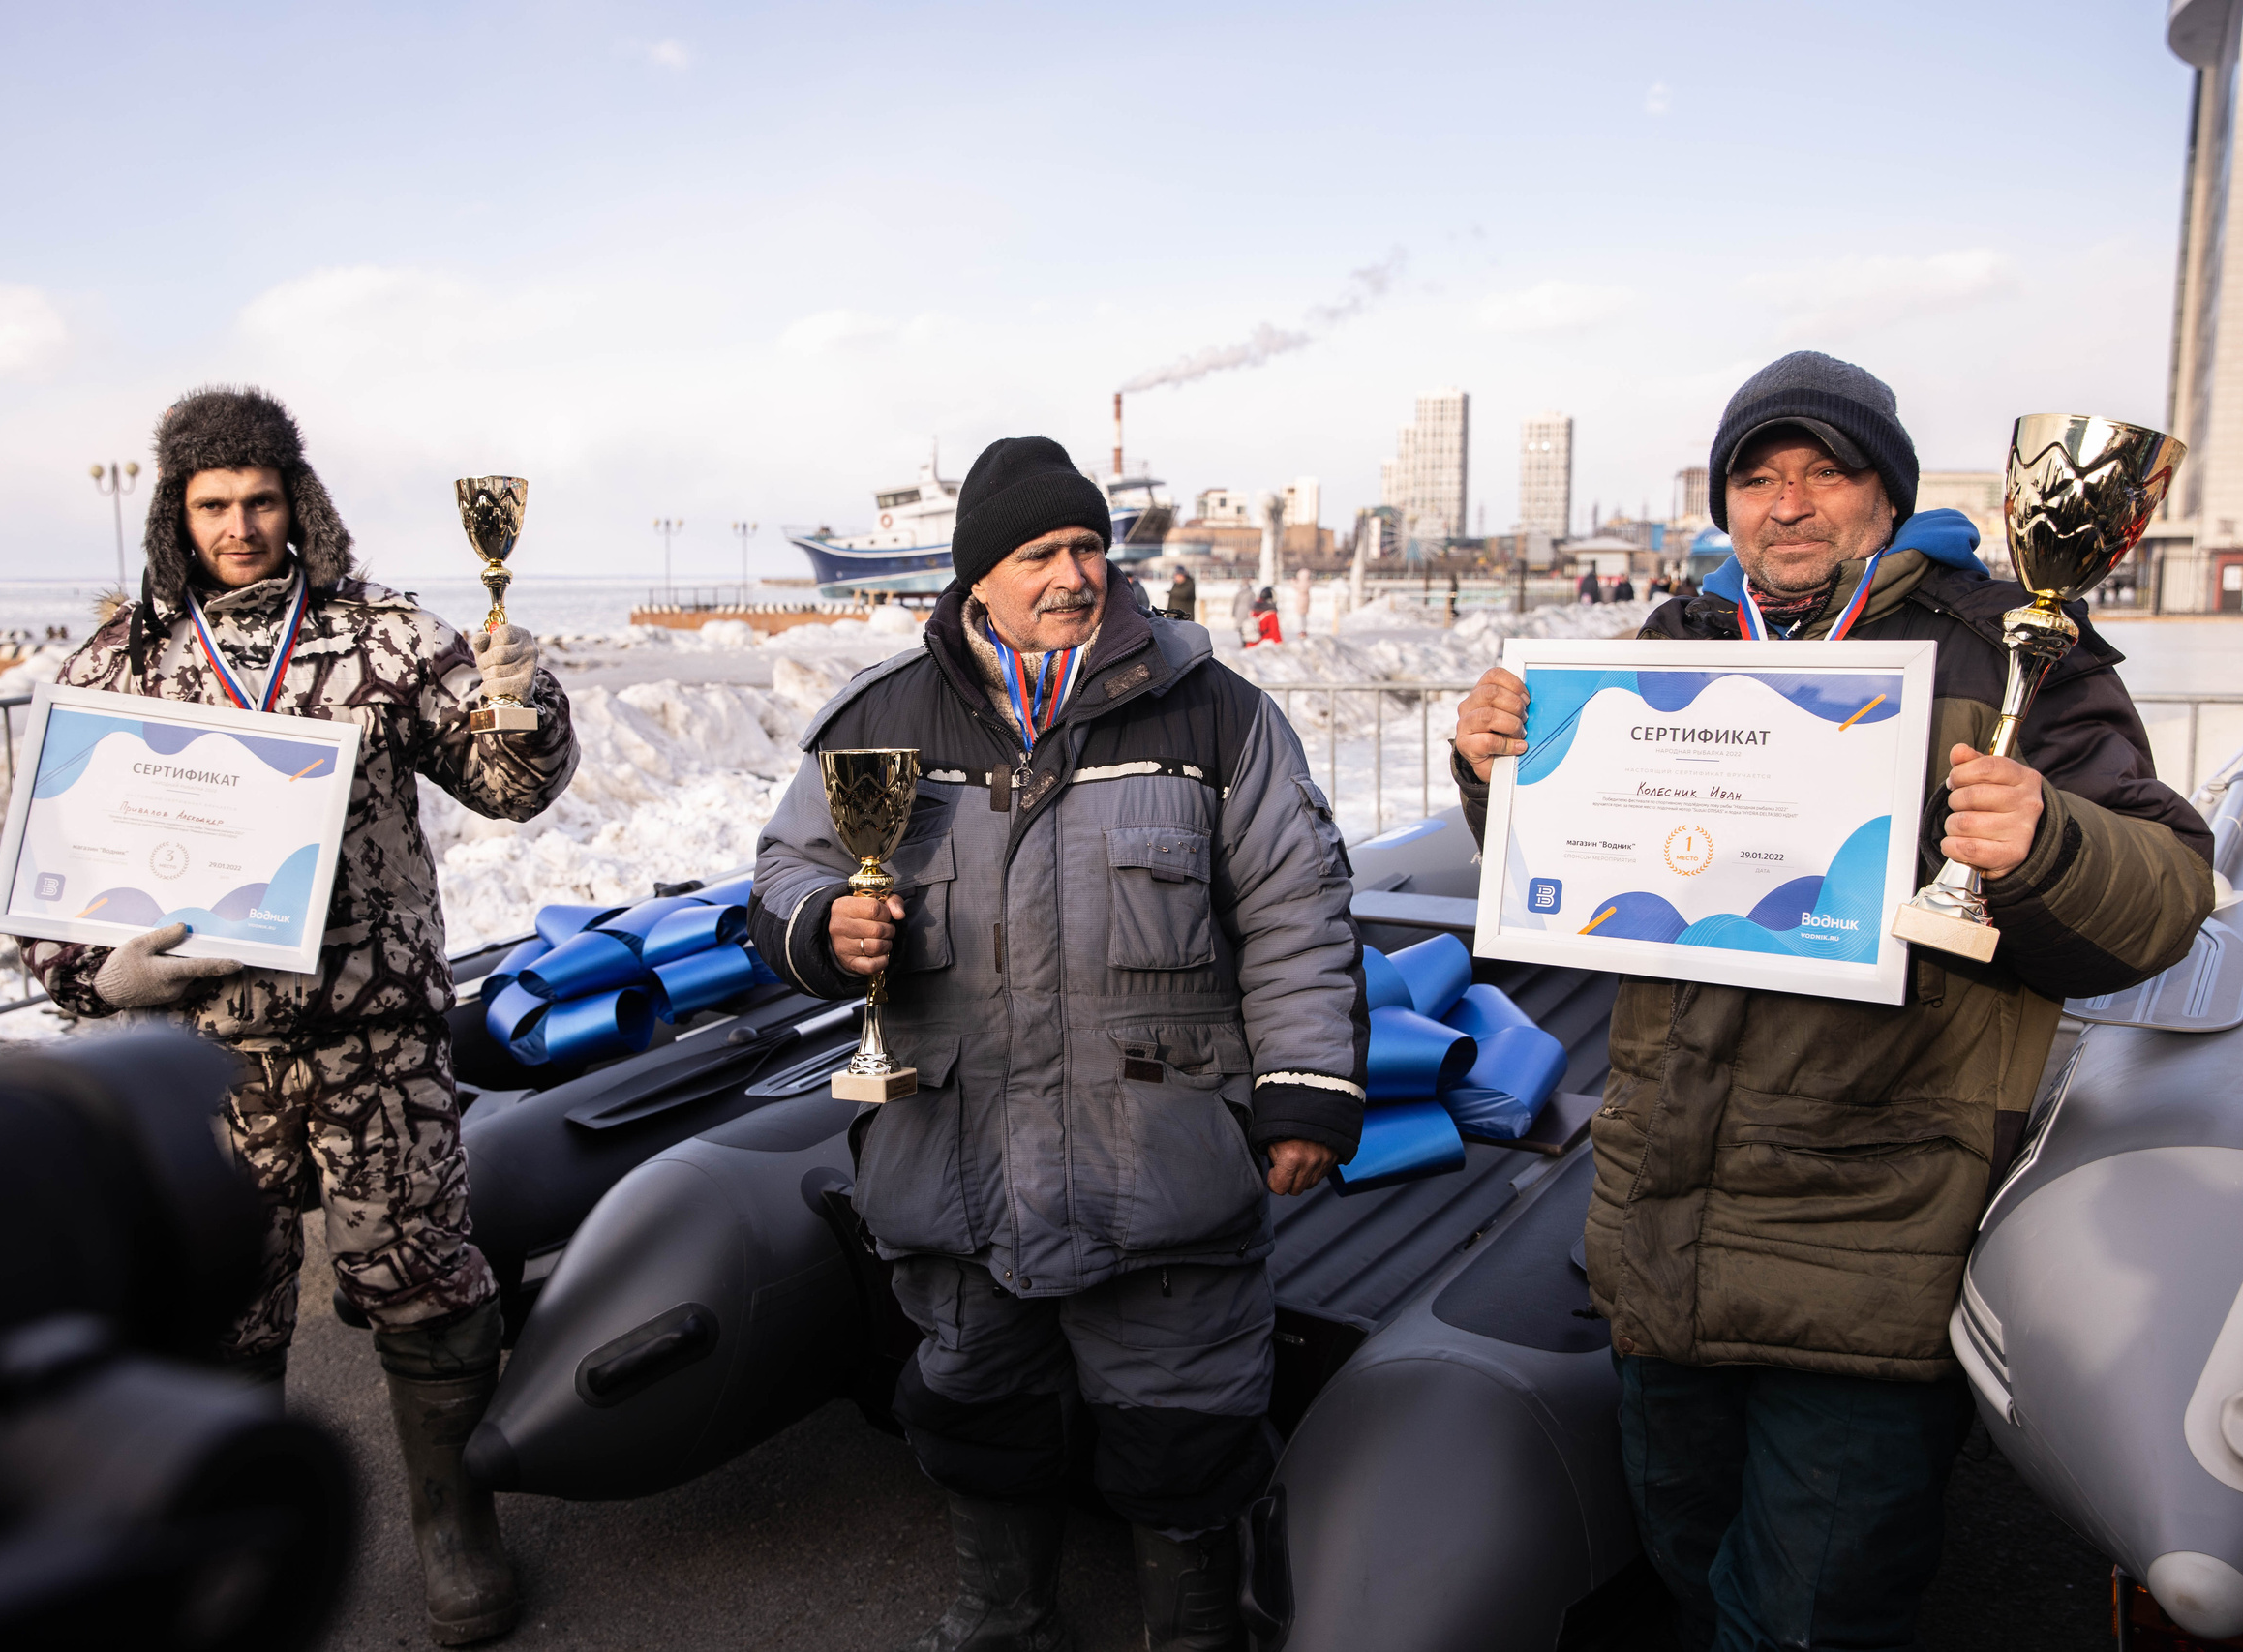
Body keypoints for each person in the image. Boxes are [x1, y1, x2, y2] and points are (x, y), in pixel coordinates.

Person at [1450, 350, 2214, 1651]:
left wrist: (2045, 841)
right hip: (1662, 1223)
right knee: (1691, 1565)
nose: (1788, 503)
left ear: (1885, 493)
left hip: (1866, 1241)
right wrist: (1499, 775)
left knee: (1809, 1617)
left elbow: (2163, 892)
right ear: (1725, 500)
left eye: (1826, 471)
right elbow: (1589, 863)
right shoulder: (1671, 641)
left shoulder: (2003, 650)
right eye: (1759, 474)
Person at [751, 436, 1364, 1652]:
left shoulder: (1216, 712)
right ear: (977, 576)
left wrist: (1302, 1091)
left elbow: (1299, 908)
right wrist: (827, 926)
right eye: (1039, 552)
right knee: (977, 1406)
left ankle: (1192, 1635)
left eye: (1087, 545)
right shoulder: (881, 719)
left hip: (1165, 1162)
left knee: (1186, 1425)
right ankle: (999, 1617)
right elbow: (784, 875)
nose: (1072, 573)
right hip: (956, 1156)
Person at [16, 386, 580, 1647]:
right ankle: (239, 1523)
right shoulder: (123, 665)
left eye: (261, 497)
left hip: (375, 1041)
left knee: (429, 1288)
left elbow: (507, 787)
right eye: (213, 502)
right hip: (199, 1060)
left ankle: (453, 1520)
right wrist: (96, 978)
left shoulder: (385, 639)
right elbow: (51, 871)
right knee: (222, 1308)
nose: (240, 522)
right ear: (177, 512)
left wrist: (523, 704)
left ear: (298, 501)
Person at [1229, 576, 1257, 646]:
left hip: (1239, 611)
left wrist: (1233, 613)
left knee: (1241, 628)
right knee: (1247, 627)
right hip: (1247, 611)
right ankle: (1246, 642)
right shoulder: (1251, 593)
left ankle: (1243, 642)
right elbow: (1253, 604)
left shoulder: (1239, 593)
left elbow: (1235, 603)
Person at [1288, 565, 1314, 639]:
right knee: (1303, 616)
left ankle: (1302, 630)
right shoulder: (1308, 582)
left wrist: (1293, 581)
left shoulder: (1302, 583)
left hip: (1300, 600)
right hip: (1306, 600)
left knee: (1301, 617)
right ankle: (1304, 630)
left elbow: (1297, 587)